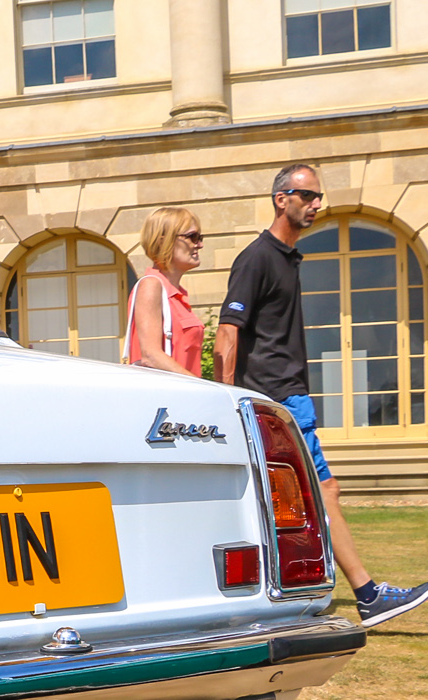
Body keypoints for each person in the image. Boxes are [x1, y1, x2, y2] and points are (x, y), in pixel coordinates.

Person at [217, 163, 428, 627]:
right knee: (322, 491)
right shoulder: (258, 257)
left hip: (288, 397)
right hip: (277, 399)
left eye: (318, 196)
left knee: (283, 503)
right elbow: (227, 333)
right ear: (281, 199)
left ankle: (283, 593)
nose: (316, 204)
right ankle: (368, 594)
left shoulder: (288, 258)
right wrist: (226, 402)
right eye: (307, 195)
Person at [123, 207, 205, 376]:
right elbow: (150, 356)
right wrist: (202, 386)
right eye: (192, 237)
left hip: (184, 390)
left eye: (199, 237)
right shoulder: (151, 286)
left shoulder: (175, 295)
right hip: (172, 391)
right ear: (163, 241)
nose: (199, 244)